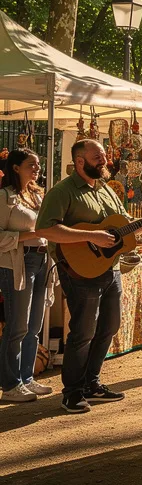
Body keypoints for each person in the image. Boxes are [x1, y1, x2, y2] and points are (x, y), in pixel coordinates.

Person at [38, 140, 142, 413]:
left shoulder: (106, 189)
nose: (104, 161)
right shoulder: (62, 191)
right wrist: (91, 236)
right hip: (79, 271)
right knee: (83, 332)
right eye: (98, 157)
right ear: (80, 161)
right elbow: (46, 230)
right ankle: (71, 392)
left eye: (104, 156)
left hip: (110, 269)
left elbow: (127, 226)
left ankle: (91, 384)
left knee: (109, 327)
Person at [0, 149, 55, 402]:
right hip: (18, 262)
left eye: (38, 165)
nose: (37, 169)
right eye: (32, 165)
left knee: (34, 326)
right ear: (15, 167)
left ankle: (27, 378)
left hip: (42, 259)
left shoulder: (37, 195)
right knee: (17, 326)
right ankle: (10, 383)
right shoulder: (4, 197)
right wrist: (28, 236)